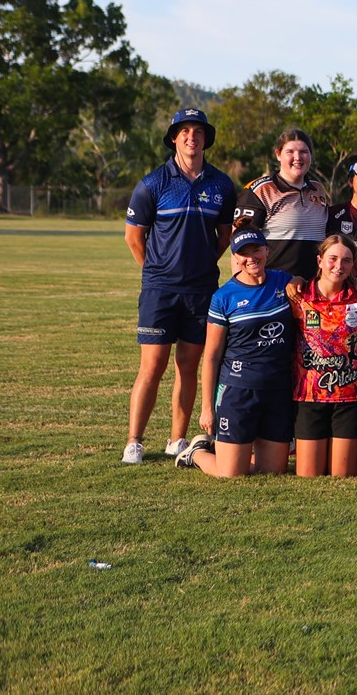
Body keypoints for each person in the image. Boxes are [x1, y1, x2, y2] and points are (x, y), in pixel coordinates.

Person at [123, 107, 236, 464]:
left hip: (201, 291)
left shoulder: (221, 185)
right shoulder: (153, 183)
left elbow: (225, 236)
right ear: (174, 138)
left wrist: (201, 266)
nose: (192, 136)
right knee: (152, 365)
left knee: (189, 365)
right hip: (160, 291)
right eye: (184, 131)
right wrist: (157, 271)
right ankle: (135, 441)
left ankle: (176, 439)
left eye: (198, 131)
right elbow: (133, 237)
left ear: (206, 139)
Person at [176, 226, 295, 477]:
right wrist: (207, 407)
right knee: (230, 474)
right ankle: (196, 453)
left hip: (278, 389)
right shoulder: (224, 297)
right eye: (243, 253)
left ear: (267, 250)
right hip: (238, 391)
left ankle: (238, 452)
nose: (251, 257)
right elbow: (211, 356)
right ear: (235, 258)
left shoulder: (284, 282)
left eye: (256, 249)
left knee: (272, 472)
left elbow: (311, 284)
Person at [287, 235, 357, 478]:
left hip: (349, 395)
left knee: (340, 475)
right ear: (320, 260)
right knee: (309, 475)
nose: (339, 266)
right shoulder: (299, 296)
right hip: (309, 394)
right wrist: (295, 279)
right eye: (332, 259)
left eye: (346, 260)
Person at [236, 128, 329, 277]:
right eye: (290, 151)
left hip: (313, 290)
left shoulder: (318, 189)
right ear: (278, 154)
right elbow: (239, 246)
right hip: (274, 289)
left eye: (304, 152)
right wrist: (242, 288)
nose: (298, 157)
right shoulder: (260, 190)